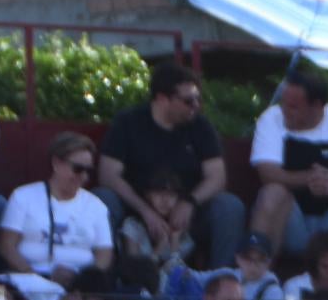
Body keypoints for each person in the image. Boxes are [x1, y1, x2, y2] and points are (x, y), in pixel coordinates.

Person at [98, 61, 244, 271]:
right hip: (136, 216)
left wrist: (190, 202)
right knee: (104, 199)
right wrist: (145, 211)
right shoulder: (128, 122)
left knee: (229, 206)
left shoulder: (201, 126)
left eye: (197, 99)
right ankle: (108, 284)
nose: (195, 106)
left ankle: (221, 283)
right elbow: (108, 175)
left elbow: (217, 177)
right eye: (187, 101)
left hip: (187, 218)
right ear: (162, 99)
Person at [248, 70, 328, 277]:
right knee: (272, 193)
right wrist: (311, 179)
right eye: (284, 103)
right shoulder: (271, 119)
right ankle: (257, 285)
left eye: (293, 107)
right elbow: (267, 173)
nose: (285, 111)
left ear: (317, 106)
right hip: (291, 224)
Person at [0, 132, 111, 300]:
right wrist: (35, 275)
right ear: (57, 163)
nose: (84, 177)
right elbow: (6, 245)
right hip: (31, 280)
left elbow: (104, 255)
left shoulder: (96, 206)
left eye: (88, 171)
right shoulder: (23, 197)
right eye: (77, 169)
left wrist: (83, 281)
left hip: (77, 289)